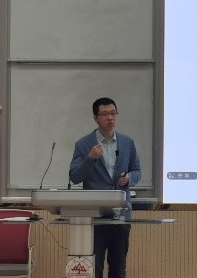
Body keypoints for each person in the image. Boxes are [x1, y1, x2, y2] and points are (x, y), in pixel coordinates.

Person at [70, 97, 142, 278]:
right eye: (105, 114)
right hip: (95, 216)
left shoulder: (127, 142)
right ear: (96, 118)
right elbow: (75, 177)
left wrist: (129, 178)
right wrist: (90, 159)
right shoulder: (83, 144)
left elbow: (137, 171)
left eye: (113, 113)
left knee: (118, 268)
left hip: (121, 214)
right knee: (94, 267)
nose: (110, 117)